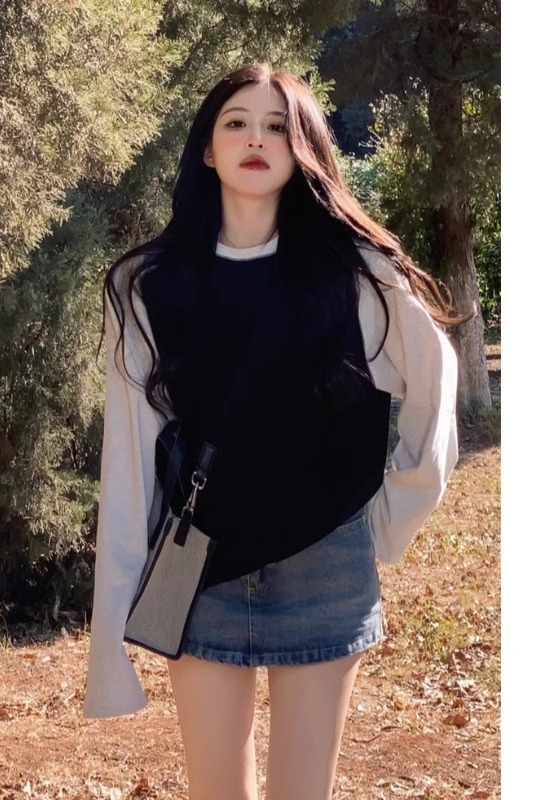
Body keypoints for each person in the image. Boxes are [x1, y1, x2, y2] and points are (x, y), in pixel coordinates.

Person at [82, 63, 462, 800]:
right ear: (207, 149)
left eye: (278, 126)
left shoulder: (356, 274)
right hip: (199, 573)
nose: (256, 139)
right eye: (236, 123)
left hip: (326, 567)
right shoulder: (146, 285)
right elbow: (126, 462)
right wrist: (109, 645)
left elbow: (434, 384)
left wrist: (390, 517)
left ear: (304, 149)